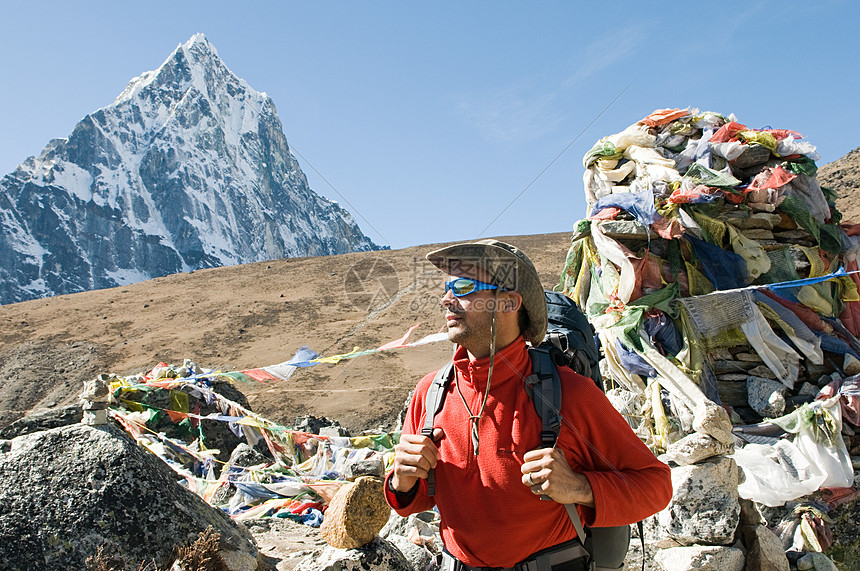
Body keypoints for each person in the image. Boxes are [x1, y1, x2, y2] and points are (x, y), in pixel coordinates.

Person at [384, 239, 672, 570]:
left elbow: (656, 485)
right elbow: (415, 501)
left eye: (462, 286)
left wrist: (580, 488)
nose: (446, 300)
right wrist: (400, 482)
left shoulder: (570, 394)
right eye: (447, 288)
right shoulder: (431, 394)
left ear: (509, 303)